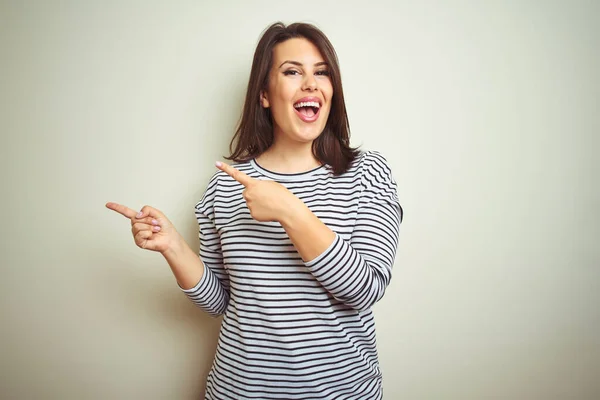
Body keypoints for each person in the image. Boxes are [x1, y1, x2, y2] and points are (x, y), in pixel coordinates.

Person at [106, 21, 403, 400]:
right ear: (264, 94)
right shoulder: (226, 185)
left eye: (322, 72)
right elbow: (220, 303)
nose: (310, 84)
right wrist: (173, 247)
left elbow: (364, 289)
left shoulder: (367, 172)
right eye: (292, 71)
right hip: (238, 391)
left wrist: (288, 210)